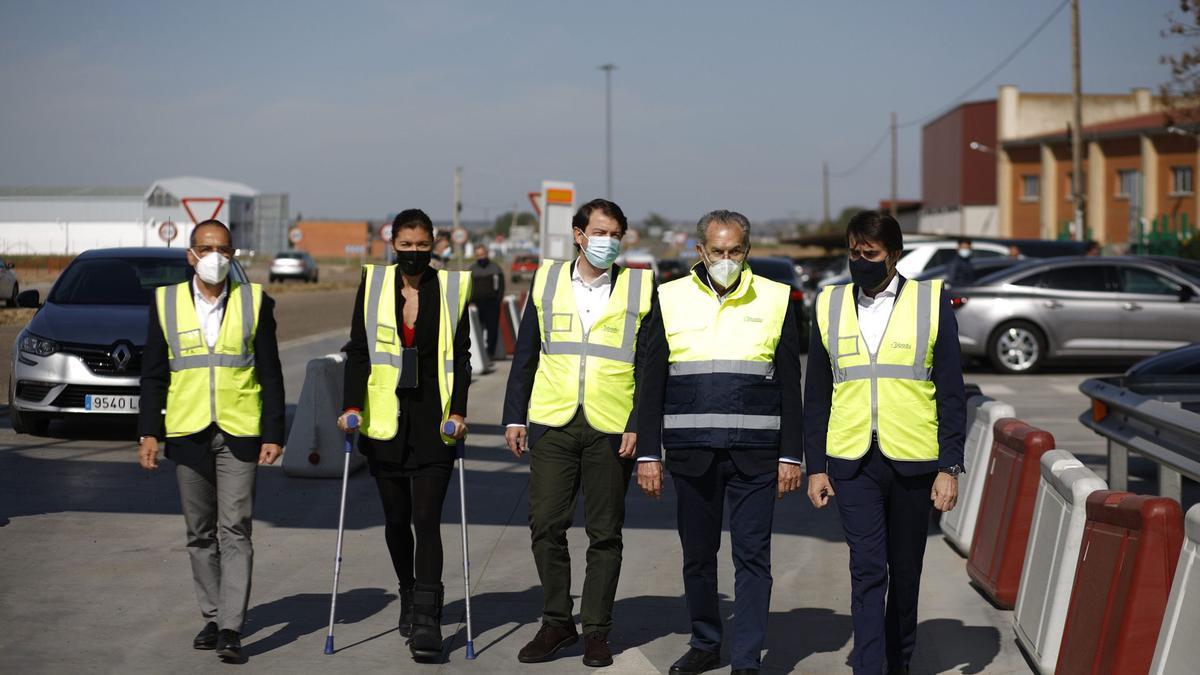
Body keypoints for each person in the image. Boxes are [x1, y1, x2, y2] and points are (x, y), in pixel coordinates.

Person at [636, 210, 804, 675]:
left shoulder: (776, 298)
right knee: (697, 556)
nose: (725, 259)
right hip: (692, 453)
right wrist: (649, 452)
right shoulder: (668, 299)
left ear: (747, 251)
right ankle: (706, 642)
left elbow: (791, 381)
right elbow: (651, 383)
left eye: (734, 251)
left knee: (753, 558)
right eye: (717, 251)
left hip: (756, 455)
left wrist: (792, 454)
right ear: (700, 251)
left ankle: (746, 659)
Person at [804, 210, 966, 675]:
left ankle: (900, 661)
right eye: (854, 253)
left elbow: (953, 392)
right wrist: (816, 465)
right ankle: (868, 667)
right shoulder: (829, 304)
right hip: (852, 461)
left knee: (905, 571)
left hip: (915, 461)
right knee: (867, 568)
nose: (860, 261)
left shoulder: (930, 301)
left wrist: (949, 466)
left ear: (894, 255)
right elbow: (816, 392)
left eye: (870, 254)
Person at [502, 198, 657, 668]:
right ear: (578, 234)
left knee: (604, 533)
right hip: (553, 421)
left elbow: (651, 368)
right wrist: (514, 416)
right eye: (599, 232)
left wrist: (641, 426)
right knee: (546, 524)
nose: (607, 241)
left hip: (612, 427)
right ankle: (556, 622)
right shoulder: (547, 280)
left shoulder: (640, 288)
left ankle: (597, 630)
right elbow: (526, 352)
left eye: (615, 234)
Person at [138, 219, 285, 663]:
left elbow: (270, 373)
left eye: (222, 248)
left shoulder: (255, 301)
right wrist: (149, 431)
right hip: (187, 432)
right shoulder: (165, 303)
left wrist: (274, 432)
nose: (214, 256)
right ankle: (213, 612)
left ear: (233, 254)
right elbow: (153, 375)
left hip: (240, 432)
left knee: (235, 529)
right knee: (199, 533)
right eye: (205, 248)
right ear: (191, 255)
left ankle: (231, 628)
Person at [338, 208, 472, 662]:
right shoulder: (373, 286)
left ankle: (427, 618)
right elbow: (358, 351)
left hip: (435, 422)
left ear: (433, 245)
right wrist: (351, 406)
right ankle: (409, 591)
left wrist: (459, 411)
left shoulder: (451, 289)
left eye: (422, 245)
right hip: (385, 421)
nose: (414, 253)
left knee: (426, 519)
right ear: (392, 243)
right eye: (406, 245)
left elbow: (463, 356)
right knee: (396, 520)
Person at [470, 243, 506, 358]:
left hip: (492, 304)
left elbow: (501, 286)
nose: (482, 257)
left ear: (487, 254)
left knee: (492, 329)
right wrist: (469, 301)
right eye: (479, 255)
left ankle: (490, 352)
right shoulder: (472, 270)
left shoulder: (495, 268)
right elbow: (467, 287)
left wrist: (498, 300)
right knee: (477, 330)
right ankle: (479, 355)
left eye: (483, 254)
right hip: (476, 304)